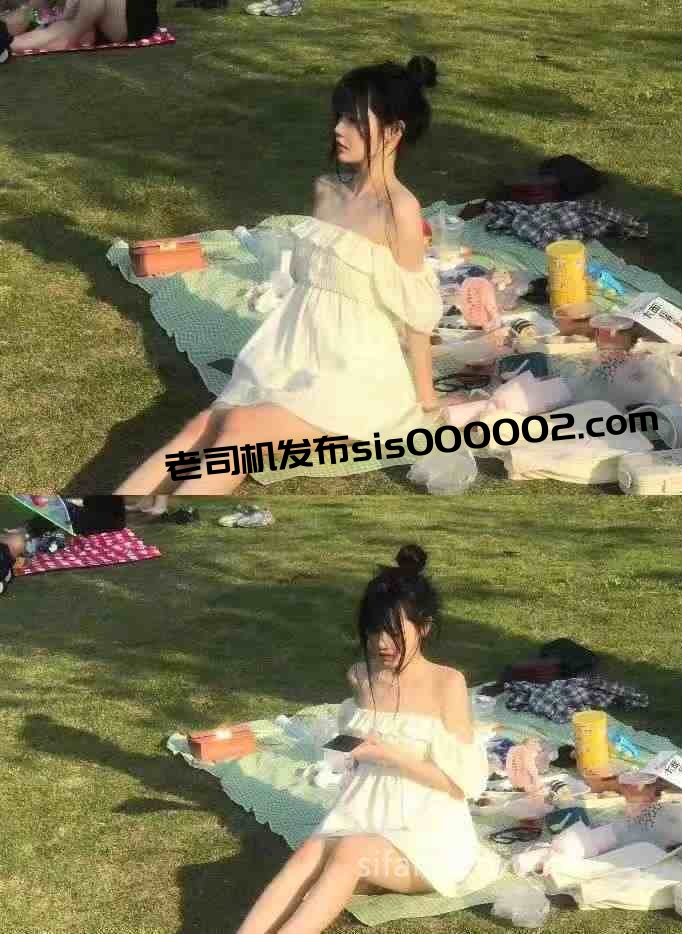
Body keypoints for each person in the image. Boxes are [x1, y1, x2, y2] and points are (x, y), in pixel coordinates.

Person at [115, 56, 444, 496]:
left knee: (237, 429)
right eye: (339, 116)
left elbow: (417, 312)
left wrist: (427, 402)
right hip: (295, 354)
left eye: (353, 120)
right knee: (202, 424)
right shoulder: (327, 191)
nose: (338, 129)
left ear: (394, 131)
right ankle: (109, 516)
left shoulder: (400, 209)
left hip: (355, 375)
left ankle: (154, 517)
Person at [235, 545, 500, 934]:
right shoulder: (361, 675)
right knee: (309, 853)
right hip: (364, 815)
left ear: (424, 627)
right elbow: (349, 750)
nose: (382, 643)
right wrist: (348, 751)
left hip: (428, 839)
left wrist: (388, 755)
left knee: (350, 851)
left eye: (395, 632)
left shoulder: (447, 683)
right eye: (374, 631)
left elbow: (462, 784)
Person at [1, 0, 158, 54]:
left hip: (123, 24)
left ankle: (7, 43)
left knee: (63, 29)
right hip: (132, 19)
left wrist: (72, 34)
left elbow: (95, 5)